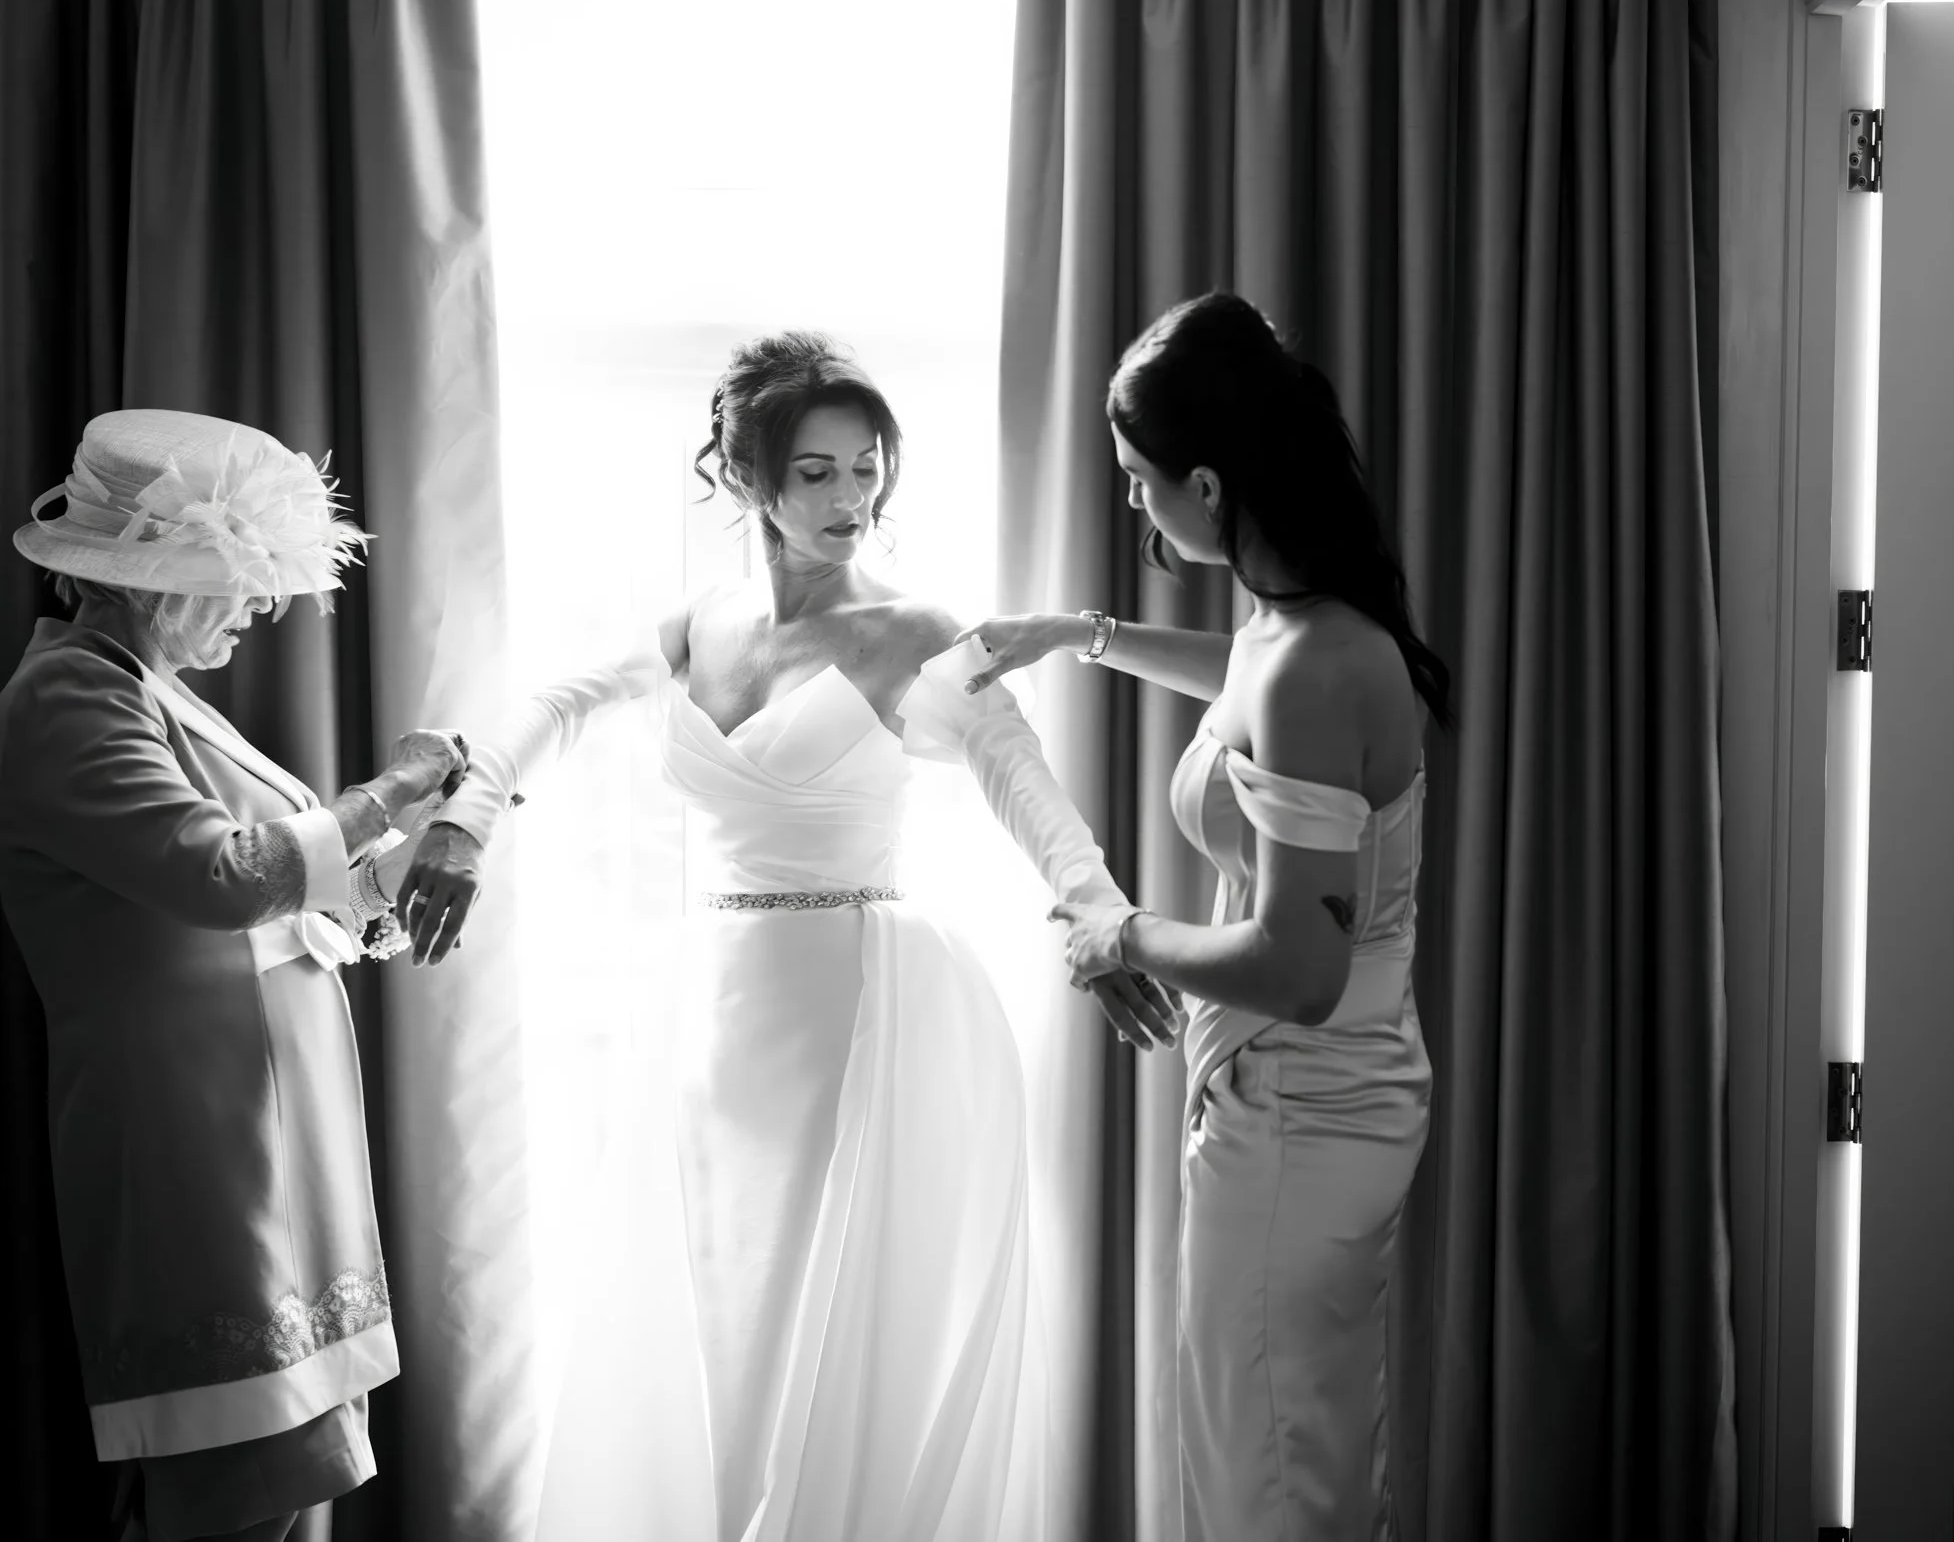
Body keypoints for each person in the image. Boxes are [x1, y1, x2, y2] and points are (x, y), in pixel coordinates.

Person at [415, 332, 1175, 1541]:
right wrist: (466, 819)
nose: (848, 497)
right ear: (747, 479)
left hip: (857, 1009)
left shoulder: (911, 629)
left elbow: (1019, 773)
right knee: (722, 1330)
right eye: (815, 472)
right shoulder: (702, 622)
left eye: (866, 467)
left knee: (819, 1336)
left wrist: (1097, 908)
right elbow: (561, 703)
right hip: (713, 1016)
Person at [962, 291, 1451, 1540]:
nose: (1135, 503)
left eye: (1140, 480)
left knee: (1269, 1463)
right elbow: (1244, 682)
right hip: (1313, 1093)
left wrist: (1117, 935)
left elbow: (1297, 963)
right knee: (1284, 1440)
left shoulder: (1311, 663)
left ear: (1209, 485)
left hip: (1302, 1103)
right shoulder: (1298, 622)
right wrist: (1078, 634)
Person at [0, 410, 479, 1542]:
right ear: (153, 576)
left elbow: (285, 892)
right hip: (196, 1136)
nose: (262, 606)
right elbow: (220, 877)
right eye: (241, 577)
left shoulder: (149, 685)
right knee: (238, 1479)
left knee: (293, 1466)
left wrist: (404, 860)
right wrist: (387, 792)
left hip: (267, 1125)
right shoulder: (69, 696)